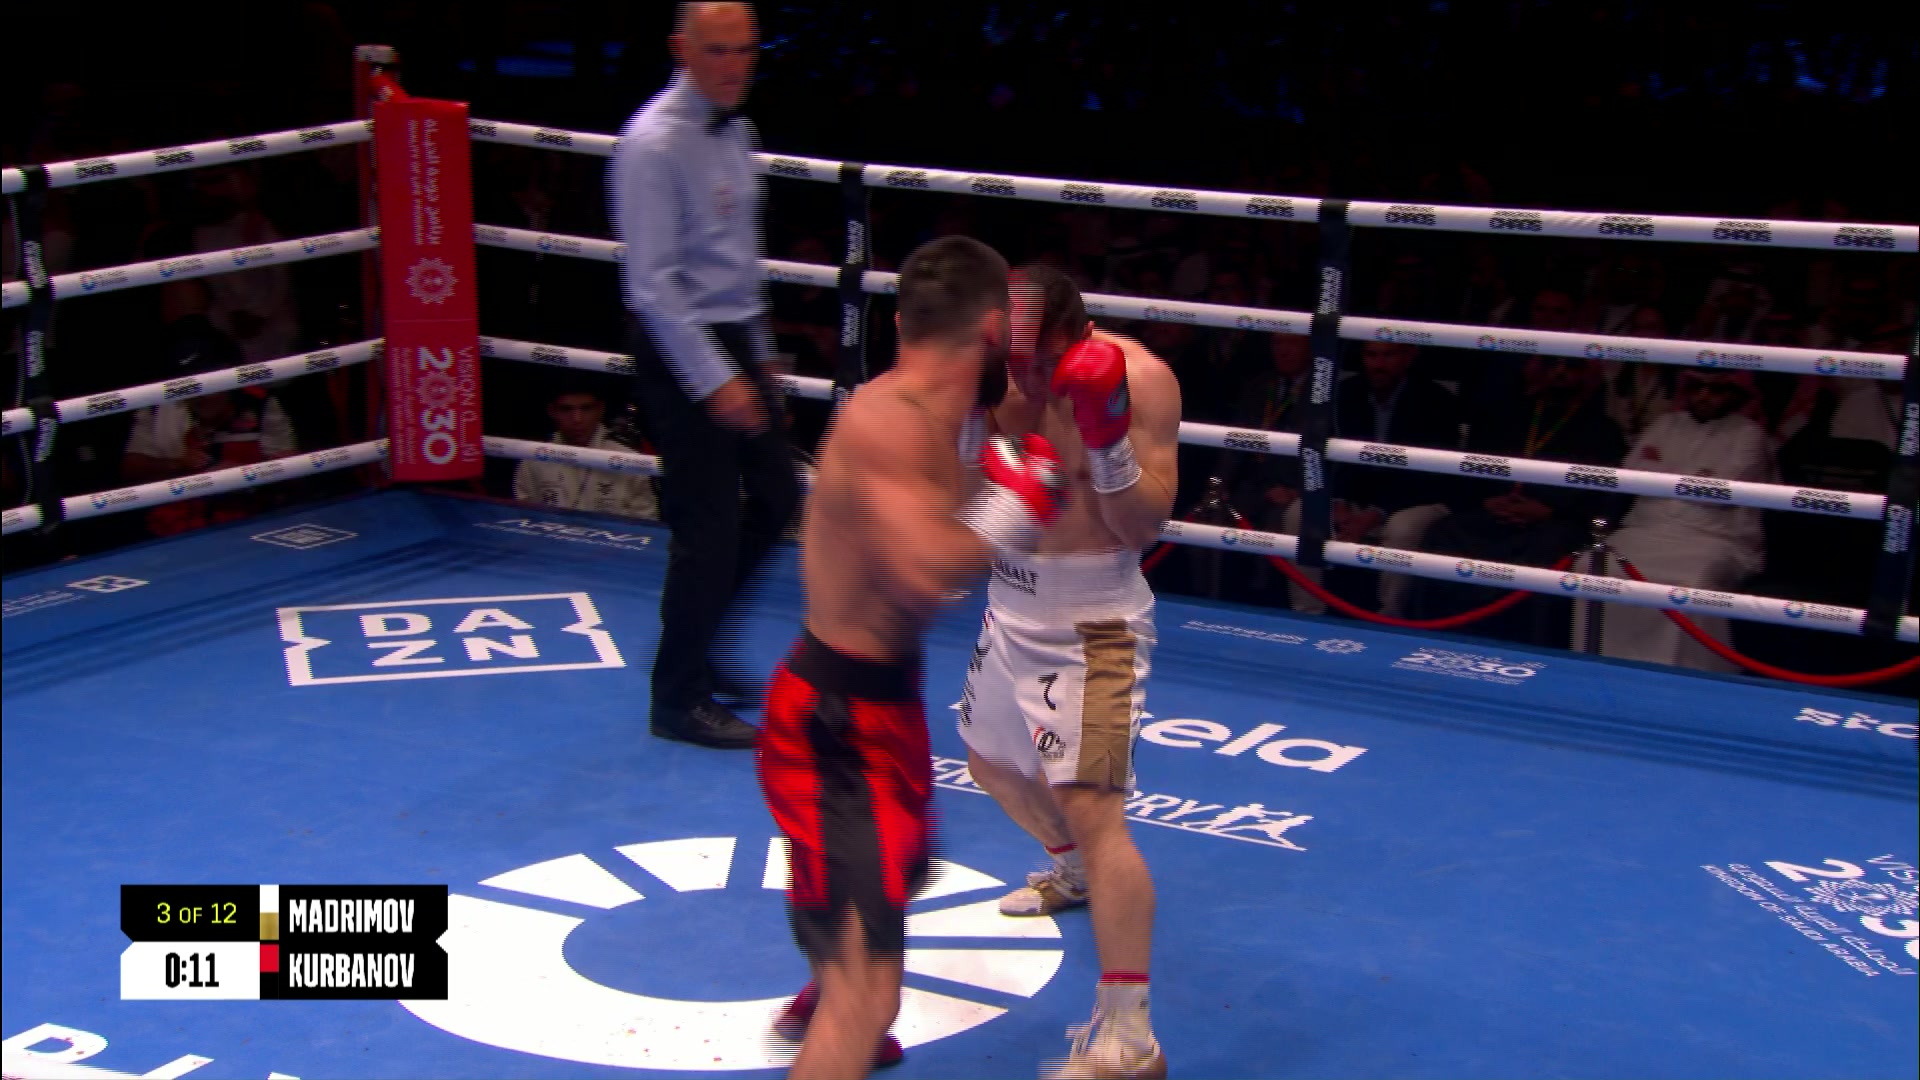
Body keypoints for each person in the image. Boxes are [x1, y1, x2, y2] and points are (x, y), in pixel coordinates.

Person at [759, 236, 1069, 1079]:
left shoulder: (958, 412)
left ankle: (830, 989)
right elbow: (928, 568)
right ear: (993, 329)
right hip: (833, 725)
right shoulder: (890, 421)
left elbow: (990, 464)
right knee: (872, 1001)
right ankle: (843, 1002)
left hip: (880, 706)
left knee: (901, 870)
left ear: (902, 322)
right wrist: (1020, 498)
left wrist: (1017, 458)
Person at [962, 264, 1182, 1078]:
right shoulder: (988, 370)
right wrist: (972, 442)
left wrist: (1107, 444)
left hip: (1095, 624)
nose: (1024, 381)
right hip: (1008, 600)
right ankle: (1073, 872)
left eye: (1039, 364)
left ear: (1076, 336)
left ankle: (1130, 1040)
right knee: (987, 763)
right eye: (1012, 363)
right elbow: (962, 500)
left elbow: (1141, 527)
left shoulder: (1141, 380)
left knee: (1096, 812)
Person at [609, 1, 801, 748]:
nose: (734, 65)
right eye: (718, 50)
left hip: (733, 334)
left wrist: (758, 351)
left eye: (746, 50)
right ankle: (677, 698)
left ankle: (705, 634)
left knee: (780, 490)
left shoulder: (736, 131)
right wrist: (713, 377)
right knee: (708, 525)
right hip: (678, 343)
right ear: (681, 49)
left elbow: (737, 260)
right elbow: (653, 287)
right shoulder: (653, 144)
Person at [1601, 369, 1772, 672]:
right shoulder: (1665, 424)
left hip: (1713, 538)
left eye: (1715, 390)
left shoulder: (1748, 434)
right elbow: (1632, 472)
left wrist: (1663, 469)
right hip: (1645, 529)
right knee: (1596, 566)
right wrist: (1698, 477)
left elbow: (1722, 492)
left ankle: (1687, 672)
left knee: (1694, 581)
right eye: (1697, 387)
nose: (1704, 396)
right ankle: (1605, 660)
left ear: (1734, 395)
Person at [512, 378, 660, 520]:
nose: (577, 419)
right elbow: (524, 519)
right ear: (552, 411)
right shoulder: (533, 459)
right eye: (566, 409)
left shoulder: (630, 460)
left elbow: (646, 524)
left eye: (586, 408)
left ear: (600, 409)